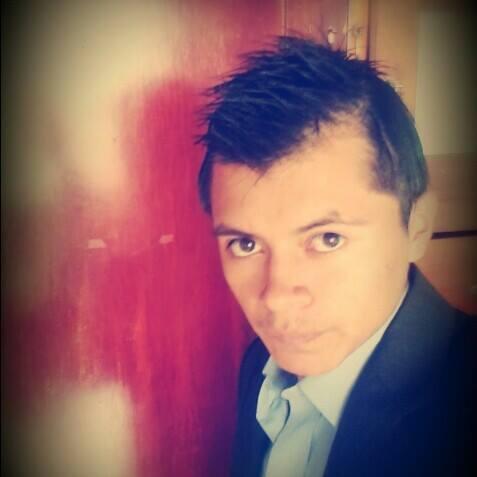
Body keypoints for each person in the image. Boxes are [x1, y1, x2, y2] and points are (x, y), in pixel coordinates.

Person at [196, 36, 476, 477]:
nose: (277, 297)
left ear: (417, 227)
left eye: (328, 238)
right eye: (246, 245)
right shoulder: (260, 366)